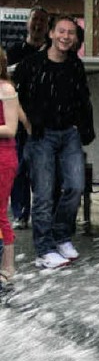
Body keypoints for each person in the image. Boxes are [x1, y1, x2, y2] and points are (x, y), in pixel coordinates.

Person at [13, 14, 95, 270]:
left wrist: (82, 128)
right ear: (51, 34)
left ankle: (61, 236)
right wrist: (28, 126)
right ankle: (44, 248)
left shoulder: (75, 65)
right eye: (61, 31)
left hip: (68, 133)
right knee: (44, 194)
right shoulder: (31, 64)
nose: (65, 37)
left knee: (75, 186)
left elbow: (83, 98)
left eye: (70, 32)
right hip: (41, 136)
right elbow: (16, 99)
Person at [6, 5, 49, 230]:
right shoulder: (13, 51)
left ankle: (44, 214)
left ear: (47, 26)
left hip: (46, 118)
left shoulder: (53, 51)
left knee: (43, 168)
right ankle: (21, 213)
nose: (38, 24)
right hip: (18, 116)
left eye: (42, 21)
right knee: (19, 167)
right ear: (27, 23)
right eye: (35, 20)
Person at [0, 49, 20, 287]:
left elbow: (11, 129)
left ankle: (8, 266)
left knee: (0, 212)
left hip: (3, 157)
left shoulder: (6, 89)